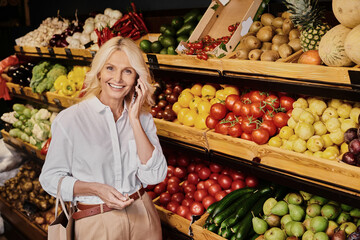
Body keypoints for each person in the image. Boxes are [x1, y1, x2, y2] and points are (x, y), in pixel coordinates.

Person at [39, 36, 167, 240]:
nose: (118, 79)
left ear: (137, 78)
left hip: (142, 215)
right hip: (95, 221)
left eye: (128, 71)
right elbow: (49, 179)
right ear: (99, 72)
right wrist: (94, 188)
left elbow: (155, 176)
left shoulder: (142, 118)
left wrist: (134, 120)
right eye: (110, 68)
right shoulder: (71, 119)